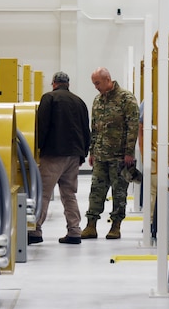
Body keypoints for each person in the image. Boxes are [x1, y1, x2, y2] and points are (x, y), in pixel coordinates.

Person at [28, 71, 91, 245]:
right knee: (69, 194)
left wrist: (37, 149)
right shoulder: (79, 102)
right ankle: (74, 231)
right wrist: (83, 153)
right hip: (74, 156)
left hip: (53, 154)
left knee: (43, 193)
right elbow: (87, 130)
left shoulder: (49, 98)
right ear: (68, 84)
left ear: (53, 83)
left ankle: (34, 230)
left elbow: (42, 125)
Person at [81, 67, 140, 240]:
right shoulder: (98, 101)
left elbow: (133, 127)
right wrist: (92, 151)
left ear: (108, 79)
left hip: (119, 156)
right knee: (96, 191)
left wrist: (129, 152)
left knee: (119, 192)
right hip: (100, 155)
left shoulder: (126, 99)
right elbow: (95, 128)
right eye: (94, 84)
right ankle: (91, 225)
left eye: (97, 83)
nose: (96, 87)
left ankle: (116, 226)